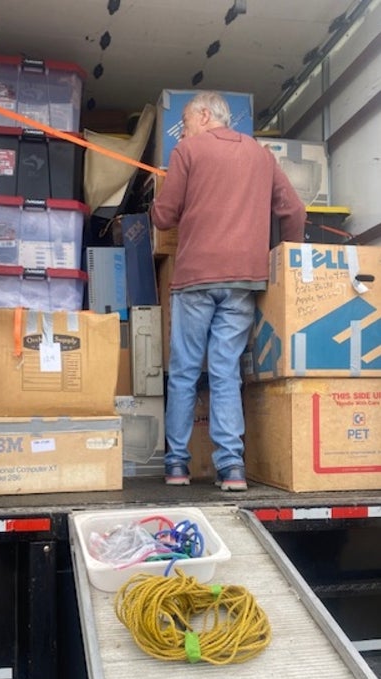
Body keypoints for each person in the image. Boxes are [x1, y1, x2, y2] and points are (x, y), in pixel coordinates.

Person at [151, 91, 305, 490]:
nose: (181, 133)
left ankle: (177, 466)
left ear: (204, 115)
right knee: (225, 372)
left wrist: (161, 195)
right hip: (243, 282)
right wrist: (287, 261)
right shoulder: (261, 155)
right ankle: (232, 468)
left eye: (184, 124)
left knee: (184, 372)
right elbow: (295, 211)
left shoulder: (187, 153)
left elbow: (164, 216)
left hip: (196, 280)